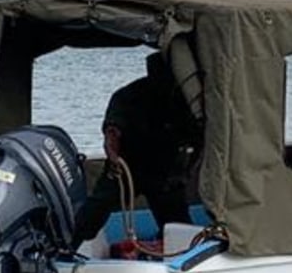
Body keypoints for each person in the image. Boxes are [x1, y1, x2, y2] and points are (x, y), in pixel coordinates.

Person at [72, 51, 202, 246]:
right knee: (94, 211)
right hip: (126, 166)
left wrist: (186, 166)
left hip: (166, 170)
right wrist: (113, 154)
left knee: (178, 224)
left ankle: (173, 249)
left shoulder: (188, 99)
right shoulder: (130, 95)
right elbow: (112, 131)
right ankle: (70, 243)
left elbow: (200, 135)